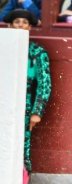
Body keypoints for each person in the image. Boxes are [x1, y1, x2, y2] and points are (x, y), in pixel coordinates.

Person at [4, 9, 52, 175]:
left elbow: (44, 85)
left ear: (30, 28)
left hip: (24, 108)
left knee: (21, 148)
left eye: (25, 23)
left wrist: (36, 112)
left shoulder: (37, 53)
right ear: (9, 26)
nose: (21, 26)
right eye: (17, 22)